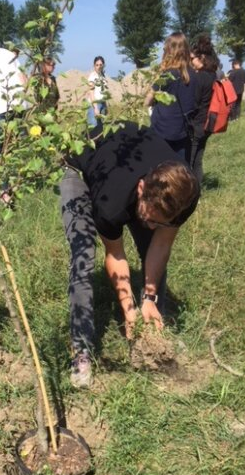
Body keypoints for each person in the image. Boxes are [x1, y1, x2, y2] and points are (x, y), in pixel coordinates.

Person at [60, 122, 200, 388]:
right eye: (148, 217)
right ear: (140, 190)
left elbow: (161, 244)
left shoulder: (185, 194)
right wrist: (127, 308)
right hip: (81, 165)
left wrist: (148, 296)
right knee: (83, 253)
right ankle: (82, 350)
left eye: (161, 221)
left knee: (151, 242)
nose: (151, 225)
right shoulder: (111, 202)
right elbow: (115, 253)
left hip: (130, 161)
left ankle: (153, 331)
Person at [146, 32, 197, 161]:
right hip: (182, 130)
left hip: (162, 129)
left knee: (160, 167)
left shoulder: (167, 75)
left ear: (170, 50)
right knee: (178, 169)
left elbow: (147, 101)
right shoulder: (193, 74)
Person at [189, 36, 219, 183]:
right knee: (198, 161)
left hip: (196, 124)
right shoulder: (213, 74)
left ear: (200, 57)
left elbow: (193, 103)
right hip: (208, 123)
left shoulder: (199, 77)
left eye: (192, 58)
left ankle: (188, 195)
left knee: (188, 162)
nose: (190, 62)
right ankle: (198, 190)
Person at [87, 56, 108, 126]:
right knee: (93, 127)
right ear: (94, 66)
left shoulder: (103, 77)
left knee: (102, 127)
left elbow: (104, 92)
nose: (99, 66)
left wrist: (106, 106)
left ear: (103, 65)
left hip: (102, 104)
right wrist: (95, 108)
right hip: (94, 105)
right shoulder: (92, 76)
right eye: (97, 65)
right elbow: (91, 92)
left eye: (101, 65)